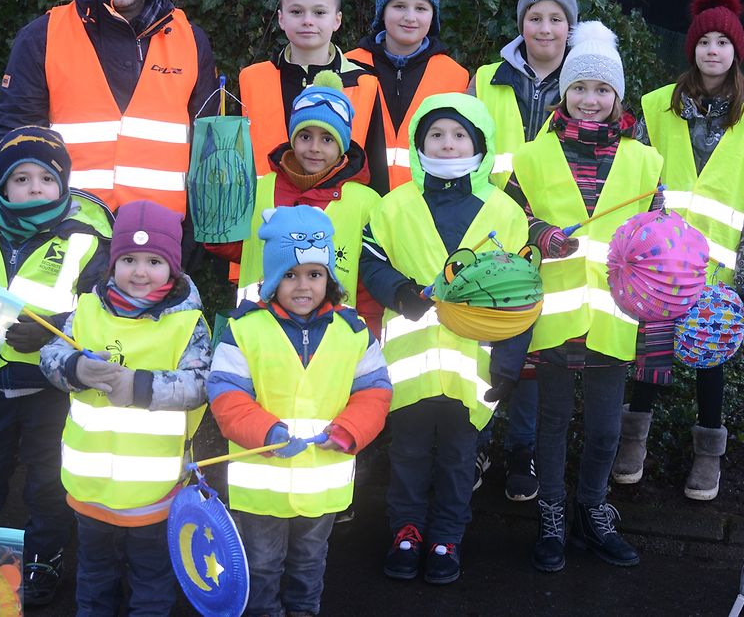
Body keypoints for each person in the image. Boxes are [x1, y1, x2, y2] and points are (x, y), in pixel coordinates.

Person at [505, 21, 663, 573]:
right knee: (551, 423)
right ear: (563, 92)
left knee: (604, 428)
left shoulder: (645, 161)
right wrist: (541, 234)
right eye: (578, 88)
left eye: (601, 89)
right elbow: (510, 219)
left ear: (617, 96)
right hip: (554, 316)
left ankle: (593, 510)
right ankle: (551, 514)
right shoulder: (533, 156)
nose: (589, 100)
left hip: (615, 317)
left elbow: (658, 235)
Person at [612, 0, 744, 501]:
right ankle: (633, 442)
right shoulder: (658, 106)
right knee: (650, 356)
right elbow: (633, 177)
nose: (713, 50)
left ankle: (708, 456)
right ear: (692, 49)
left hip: (720, 273)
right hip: (659, 266)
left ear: (736, 53)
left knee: (712, 365)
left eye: (723, 43)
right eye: (704, 41)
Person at [360, 93, 531, 585]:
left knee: (459, 459)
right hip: (408, 364)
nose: (448, 144)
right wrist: (401, 293)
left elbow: (522, 293)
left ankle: (447, 537)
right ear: (419, 143)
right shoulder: (393, 206)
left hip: (473, 368)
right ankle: (406, 531)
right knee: (408, 453)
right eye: (436, 134)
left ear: (480, 144)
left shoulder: (505, 211)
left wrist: (508, 365)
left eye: (460, 135)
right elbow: (372, 260)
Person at [0, 126, 112, 606]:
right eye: (21, 178)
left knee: (49, 478)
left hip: (51, 385)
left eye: (46, 178)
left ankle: (43, 557)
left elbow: (101, 313)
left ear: (63, 184)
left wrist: (54, 329)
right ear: (2, 185)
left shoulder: (87, 242)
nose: (35, 188)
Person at [208, 205, 391, 617]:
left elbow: (375, 392)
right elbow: (226, 396)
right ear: (273, 278)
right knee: (261, 565)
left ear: (329, 278)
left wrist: (349, 430)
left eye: (314, 274)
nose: (303, 285)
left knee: (310, 563)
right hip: (260, 488)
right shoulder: (244, 330)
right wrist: (266, 432)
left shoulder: (355, 333)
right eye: (290, 275)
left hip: (321, 486)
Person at [0, 0, 217, 219]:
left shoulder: (192, 41)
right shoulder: (41, 36)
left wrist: (196, 237)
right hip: (62, 230)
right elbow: (12, 141)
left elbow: (207, 151)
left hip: (163, 234)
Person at [40, 200, 212, 616]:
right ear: (112, 263)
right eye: (129, 259)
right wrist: (75, 367)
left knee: (151, 579)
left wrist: (140, 387)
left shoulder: (188, 322)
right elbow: (50, 355)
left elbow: (201, 384)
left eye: (154, 261)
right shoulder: (86, 309)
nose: (139, 272)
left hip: (156, 489)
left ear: (173, 267)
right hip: (90, 483)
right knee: (94, 575)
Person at [466, 0, 579, 501]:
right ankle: (476, 442)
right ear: (521, 23)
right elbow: (462, 145)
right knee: (484, 338)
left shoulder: (582, 81)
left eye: (556, 18)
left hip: (552, 236)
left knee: (537, 344)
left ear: (570, 25)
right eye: (535, 17)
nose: (545, 28)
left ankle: (523, 451)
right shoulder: (487, 78)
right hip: (489, 230)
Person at [206, 73, 382, 332]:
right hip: (258, 330)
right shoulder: (260, 188)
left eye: (327, 139)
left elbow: (370, 283)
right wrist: (216, 208)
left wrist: (368, 336)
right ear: (292, 138)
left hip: (333, 337)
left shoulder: (365, 202)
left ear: (343, 145)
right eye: (305, 136)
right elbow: (237, 248)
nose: (314, 148)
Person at [238, 0, 381, 176]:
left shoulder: (364, 83)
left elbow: (375, 170)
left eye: (319, 12)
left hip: (340, 198)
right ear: (281, 19)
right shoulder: (252, 80)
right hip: (265, 197)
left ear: (337, 20)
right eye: (296, 11)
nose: (307, 21)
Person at [345, 0, 469, 194]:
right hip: (355, 198)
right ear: (382, 12)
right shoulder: (348, 66)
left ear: (433, 16)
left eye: (421, 8)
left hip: (424, 203)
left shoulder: (455, 76)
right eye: (399, 6)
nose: (410, 17)